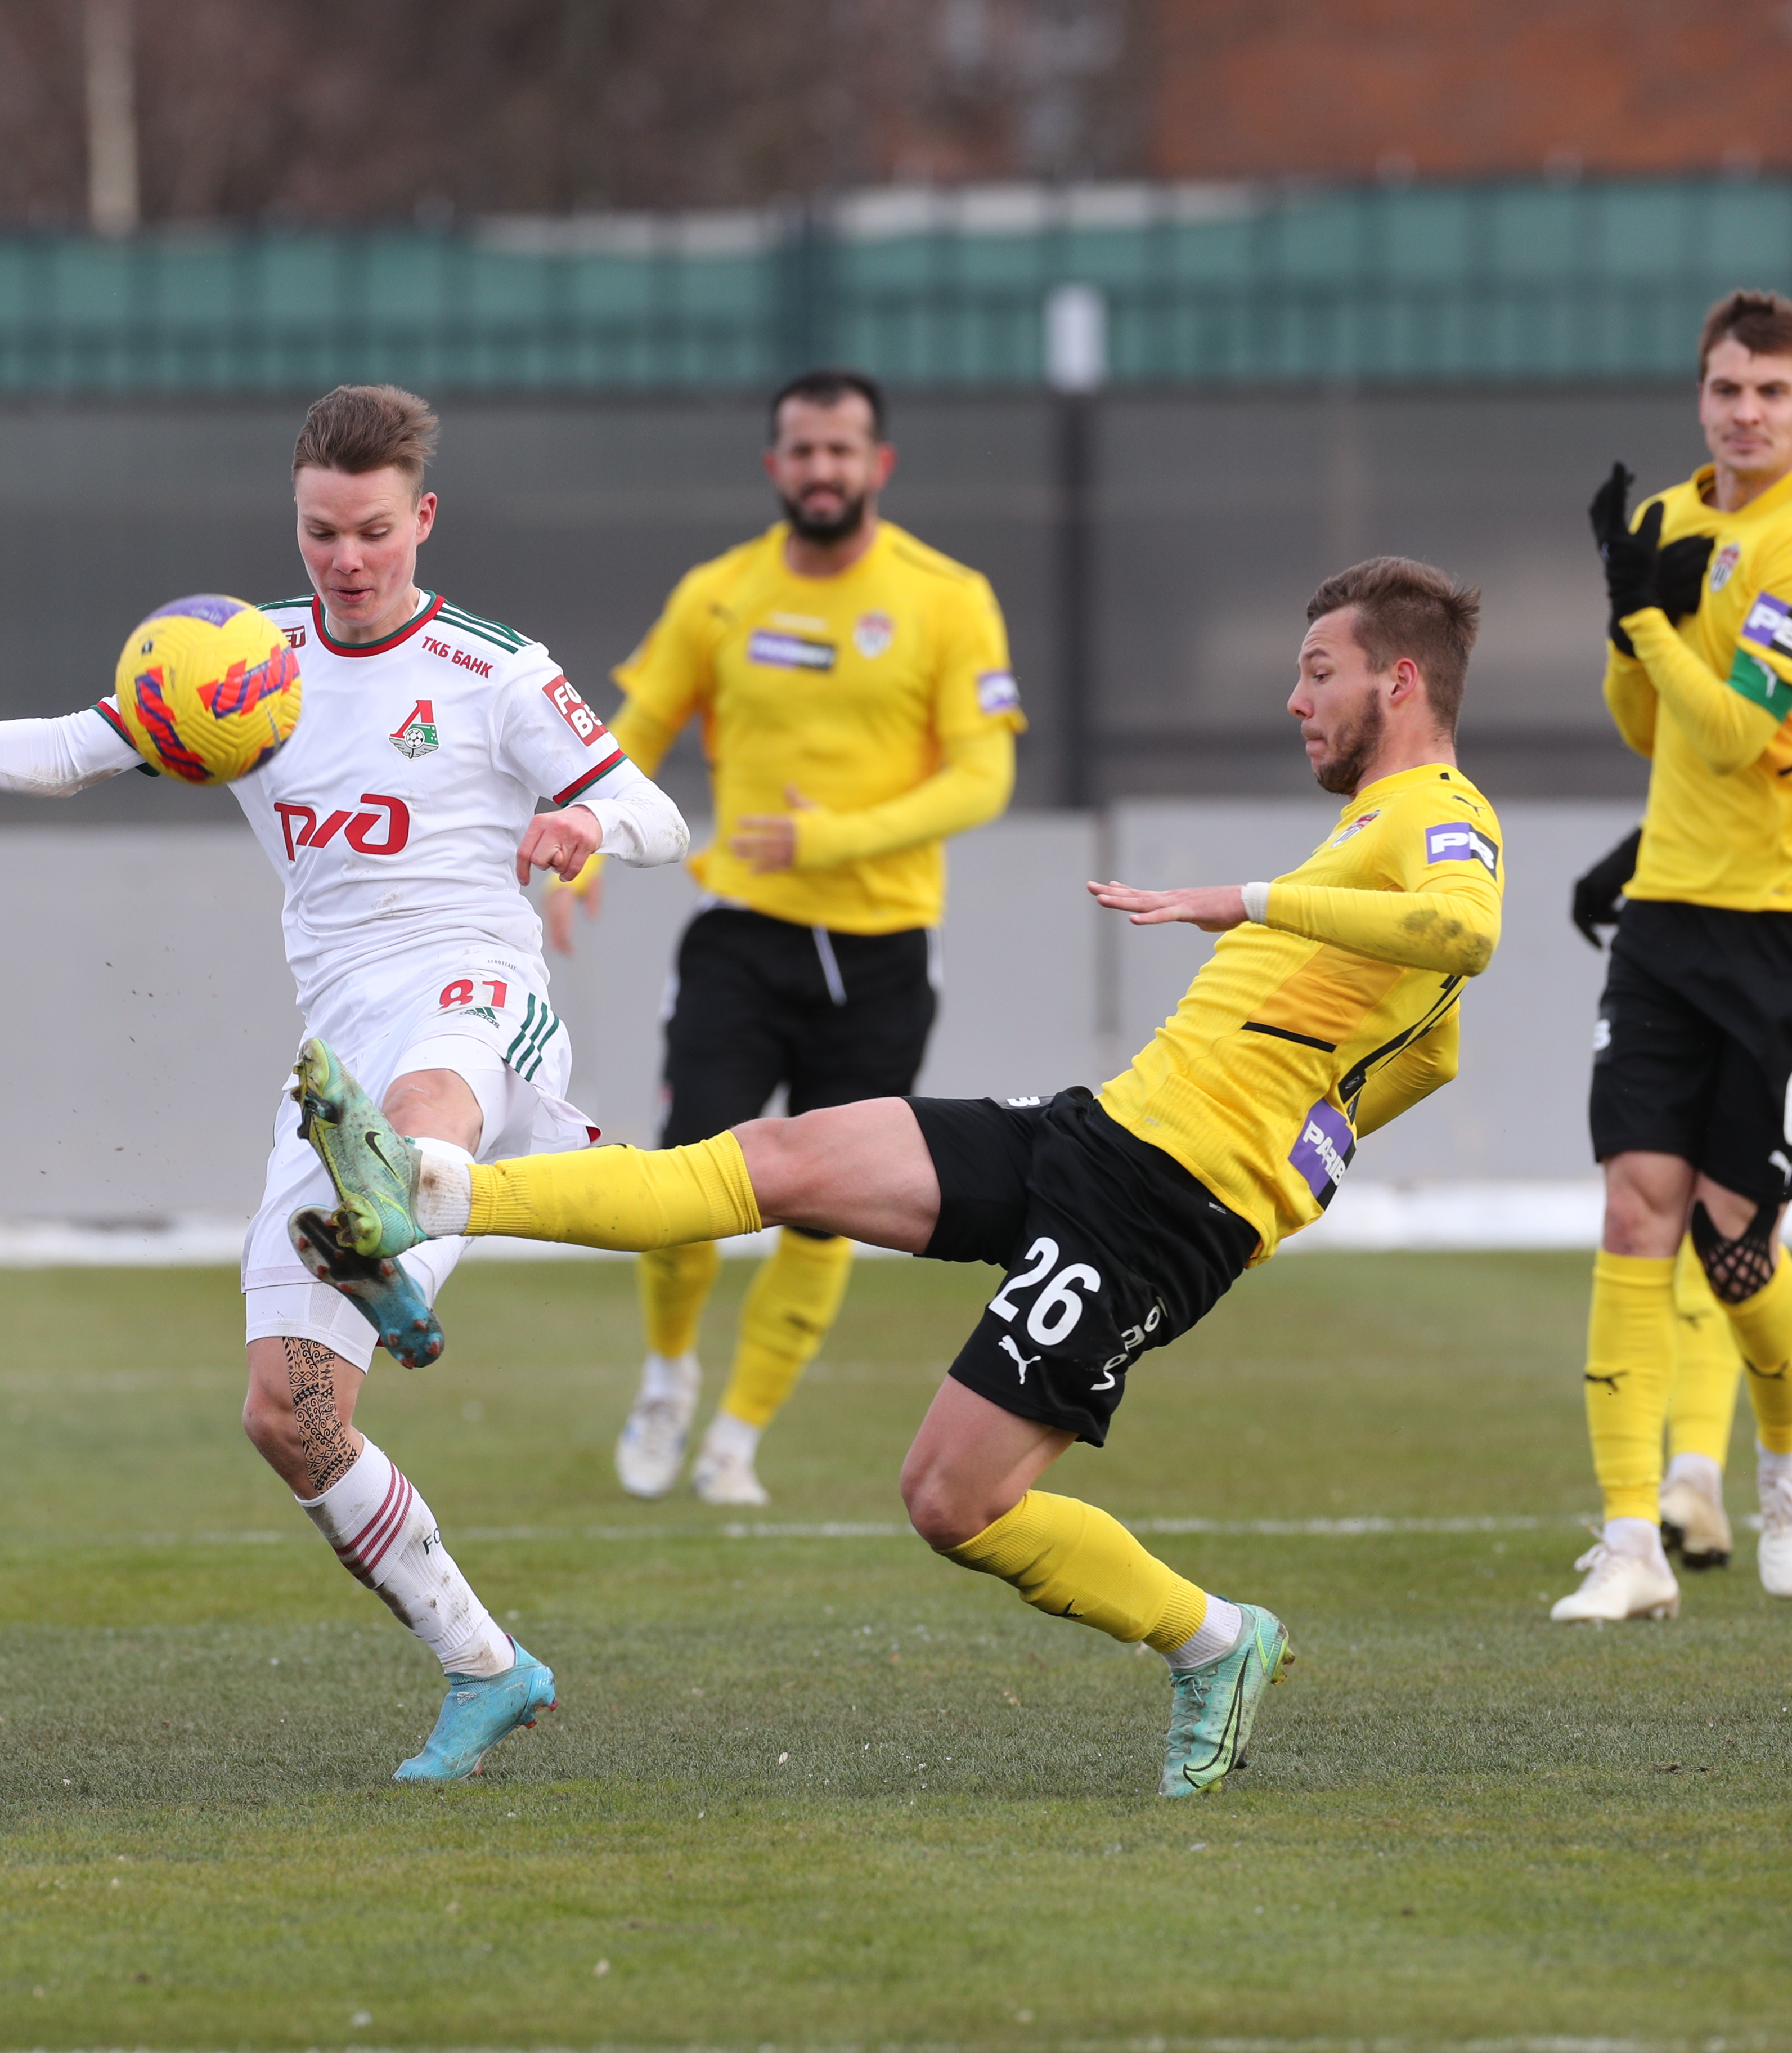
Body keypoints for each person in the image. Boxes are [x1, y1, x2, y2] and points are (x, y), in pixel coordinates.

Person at [293, 557, 1498, 1796]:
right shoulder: (1369, 825)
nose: (1296, 700)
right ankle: (430, 1195)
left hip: (1166, 1207)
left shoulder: (1439, 812)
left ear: (1399, 680)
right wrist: (1325, 1133)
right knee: (778, 1160)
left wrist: (1241, 923)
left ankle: (1216, 1640)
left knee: (948, 1499)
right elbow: (1436, 1048)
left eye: (1318, 673)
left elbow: (1468, 932)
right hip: (1104, 1131)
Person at [0, 384, 691, 1781]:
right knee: (288, 1416)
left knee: (415, 1116)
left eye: (374, 534)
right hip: (332, 1047)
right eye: (322, 532)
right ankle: (485, 1664)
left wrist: (586, 820)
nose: (346, 561)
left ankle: (415, 1212)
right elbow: (70, 754)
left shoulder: (494, 671)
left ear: (424, 520)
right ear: (296, 517)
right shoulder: (236, 662)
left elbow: (661, 809)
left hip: (473, 993)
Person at [544, 367, 1021, 1507]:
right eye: (802, 451)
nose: (821, 470)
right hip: (741, 939)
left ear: (878, 466)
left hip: (885, 953)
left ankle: (738, 1437)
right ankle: (667, 1381)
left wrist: (835, 837)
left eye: (841, 451)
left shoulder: (949, 597)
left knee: (827, 1212)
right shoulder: (719, 594)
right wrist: (588, 838)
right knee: (684, 1183)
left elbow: (985, 775)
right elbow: (638, 728)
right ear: (775, 467)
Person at [1559, 288, 1792, 1619]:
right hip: (1665, 913)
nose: (1746, 413)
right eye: (1727, 389)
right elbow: (1648, 731)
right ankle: (1631, 1544)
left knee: (1736, 1243)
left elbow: (1736, 737)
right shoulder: (1669, 522)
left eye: (1771, 392)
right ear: (1698, 395)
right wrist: (1622, 619)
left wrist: (1648, 618)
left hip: (1772, 925)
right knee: (1634, 1199)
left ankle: (1782, 1462)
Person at [1573, 828, 1751, 1573]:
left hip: (1759, 954)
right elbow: (1715, 793)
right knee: (1707, 1219)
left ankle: (1717, 1479)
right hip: (1717, 952)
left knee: (1735, 1227)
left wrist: (1612, 872)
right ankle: (1691, 1483)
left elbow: (1730, 781)